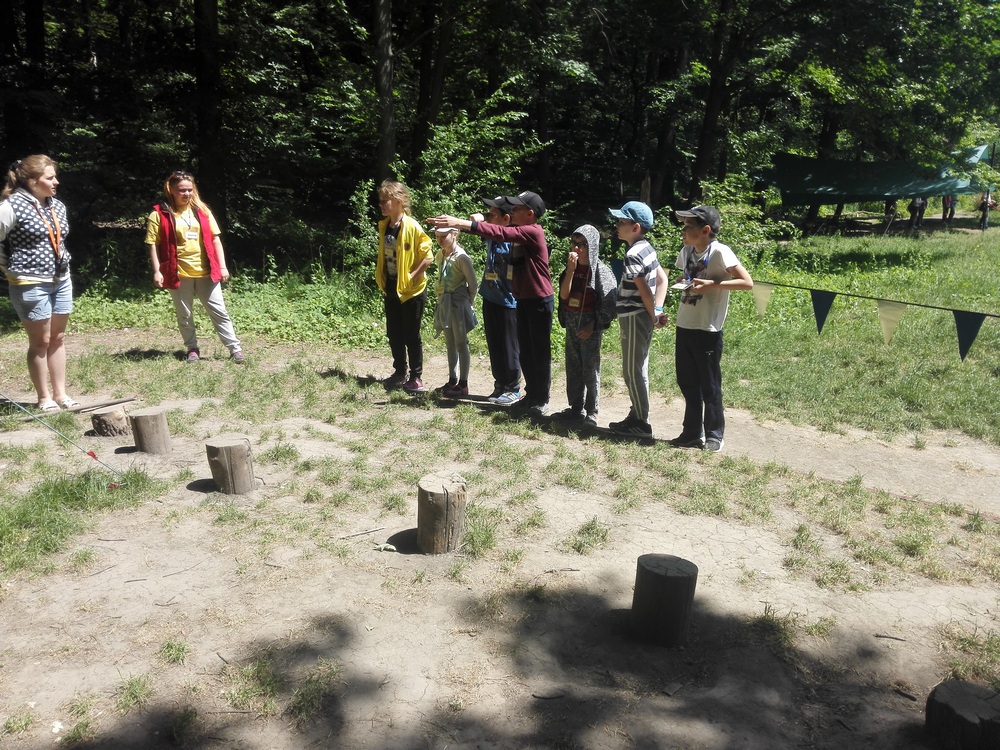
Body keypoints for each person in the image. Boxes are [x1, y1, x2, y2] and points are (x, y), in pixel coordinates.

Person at [427, 190, 553, 416]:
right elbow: (496, 228)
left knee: (538, 353)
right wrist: (480, 219)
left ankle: (541, 399)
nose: (513, 211)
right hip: (524, 299)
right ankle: (531, 395)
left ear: (530, 213)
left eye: (517, 208)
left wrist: (459, 223)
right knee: (526, 352)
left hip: (539, 300)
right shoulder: (518, 230)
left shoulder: (532, 231)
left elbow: (499, 231)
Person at [670, 205, 753, 453]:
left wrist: (712, 284)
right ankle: (691, 433)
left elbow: (747, 282)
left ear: (705, 230)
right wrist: (682, 282)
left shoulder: (720, 252)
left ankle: (715, 435)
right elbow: (683, 277)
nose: (683, 231)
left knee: (710, 385)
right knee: (687, 382)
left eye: (688, 227)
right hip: (684, 324)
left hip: (708, 328)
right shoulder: (686, 251)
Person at [0, 155, 78, 411]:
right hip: (30, 282)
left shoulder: (58, 206)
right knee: (40, 341)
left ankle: (61, 395)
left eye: (55, 176)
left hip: (61, 279)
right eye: (50, 177)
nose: (56, 182)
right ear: (32, 181)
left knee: (58, 337)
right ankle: (44, 398)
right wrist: (7, 268)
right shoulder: (11, 206)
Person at [147, 171, 245, 364]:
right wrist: (157, 271)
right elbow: (153, 244)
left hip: (206, 272)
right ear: (171, 190)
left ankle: (235, 349)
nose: (186, 194)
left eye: (189, 190)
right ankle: (192, 348)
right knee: (185, 314)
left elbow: (215, 239)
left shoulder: (202, 210)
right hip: (178, 273)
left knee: (219, 311)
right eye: (181, 190)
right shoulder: (159, 214)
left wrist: (223, 267)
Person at [607, 201, 668, 437]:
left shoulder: (632, 254)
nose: (617, 225)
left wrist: (654, 316)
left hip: (634, 316)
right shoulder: (646, 248)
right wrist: (658, 310)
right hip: (642, 315)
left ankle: (642, 424)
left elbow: (643, 290)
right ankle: (637, 415)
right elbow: (662, 279)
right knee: (639, 368)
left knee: (632, 371)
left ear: (635, 227)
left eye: (621, 221)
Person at [554, 224, 617, 427]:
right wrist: (571, 271)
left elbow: (610, 305)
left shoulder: (601, 272)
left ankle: (592, 411)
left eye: (583, 244)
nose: (577, 248)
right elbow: (564, 296)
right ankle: (576, 408)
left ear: (593, 246)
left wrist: (593, 326)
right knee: (573, 367)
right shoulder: (570, 268)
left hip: (591, 325)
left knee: (590, 368)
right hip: (572, 321)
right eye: (574, 243)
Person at [376, 180, 433, 392]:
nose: (381, 205)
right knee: (394, 332)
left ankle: (416, 377)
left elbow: (428, 257)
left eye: (385, 201)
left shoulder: (412, 226)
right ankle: (400, 372)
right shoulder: (385, 226)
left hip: (412, 291)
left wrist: (412, 276)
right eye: (381, 201)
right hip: (392, 287)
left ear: (398, 201)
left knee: (411, 334)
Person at [472, 196, 522, 406]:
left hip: (509, 301)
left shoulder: (515, 239)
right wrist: (483, 217)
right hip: (490, 296)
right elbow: (476, 223)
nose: (488, 217)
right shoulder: (493, 234)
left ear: (506, 218)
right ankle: (500, 383)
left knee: (509, 347)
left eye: (493, 214)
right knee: (495, 344)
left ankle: (513, 388)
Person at [431, 227, 477, 397]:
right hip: (445, 302)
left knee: (461, 343)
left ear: (455, 234)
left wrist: (468, 302)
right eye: (437, 236)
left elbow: (473, 284)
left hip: (458, 304)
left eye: (444, 236)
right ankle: (452, 380)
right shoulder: (441, 254)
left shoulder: (461, 257)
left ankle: (463, 384)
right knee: (450, 342)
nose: (440, 240)